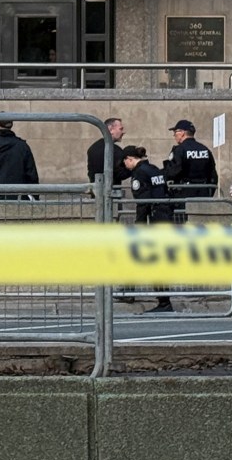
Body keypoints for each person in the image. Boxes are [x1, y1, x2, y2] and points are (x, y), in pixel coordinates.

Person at [121, 145, 175, 313]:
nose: (125, 166)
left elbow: (143, 202)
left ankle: (163, 302)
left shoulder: (139, 173)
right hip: (163, 218)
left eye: (125, 162)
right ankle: (130, 291)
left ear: (130, 159)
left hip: (152, 220)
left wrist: (139, 225)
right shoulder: (154, 169)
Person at [161, 118, 217, 222]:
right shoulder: (205, 149)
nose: (174, 135)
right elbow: (213, 176)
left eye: (175, 132)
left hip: (183, 195)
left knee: (181, 225)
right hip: (203, 195)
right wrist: (208, 193)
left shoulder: (180, 150)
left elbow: (173, 172)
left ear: (182, 133)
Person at [86, 116, 123, 186]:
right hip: (111, 189)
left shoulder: (93, 148)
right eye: (120, 129)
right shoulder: (116, 151)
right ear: (110, 130)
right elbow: (120, 174)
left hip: (96, 189)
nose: (123, 132)